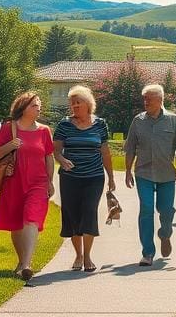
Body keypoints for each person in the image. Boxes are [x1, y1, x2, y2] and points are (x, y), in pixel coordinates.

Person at [0, 91, 55, 282]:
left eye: (39, 104)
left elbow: (48, 157)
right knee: (16, 224)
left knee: (31, 218)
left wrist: (49, 181)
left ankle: (26, 265)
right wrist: (10, 146)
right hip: (14, 182)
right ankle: (21, 263)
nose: (38, 107)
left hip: (38, 183)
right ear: (23, 107)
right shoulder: (9, 128)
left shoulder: (44, 131)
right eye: (34, 105)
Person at [124, 83, 176, 266]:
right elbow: (130, 148)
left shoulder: (173, 120)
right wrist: (128, 170)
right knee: (146, 208)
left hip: (166, 173)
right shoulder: (138, 121)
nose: (145, 102)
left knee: (166, 210)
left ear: (160, 100)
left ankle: (165, 233)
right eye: (144, 99)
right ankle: (148, 252)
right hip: (143, 172)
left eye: (149, 99)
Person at [53, 85, 115, 273]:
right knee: (72, 215)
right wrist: (62, 160)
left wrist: (111, 177)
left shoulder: (100, 124)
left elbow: (105, 152)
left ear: (88, 103)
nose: (74, 106)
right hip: (70, 178)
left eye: (77, 102)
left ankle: (87, 256)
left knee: (89, 212)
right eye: (72, 104)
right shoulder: (64, 124)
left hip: (94, 177)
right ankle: (78, 255)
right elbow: (55, 150)